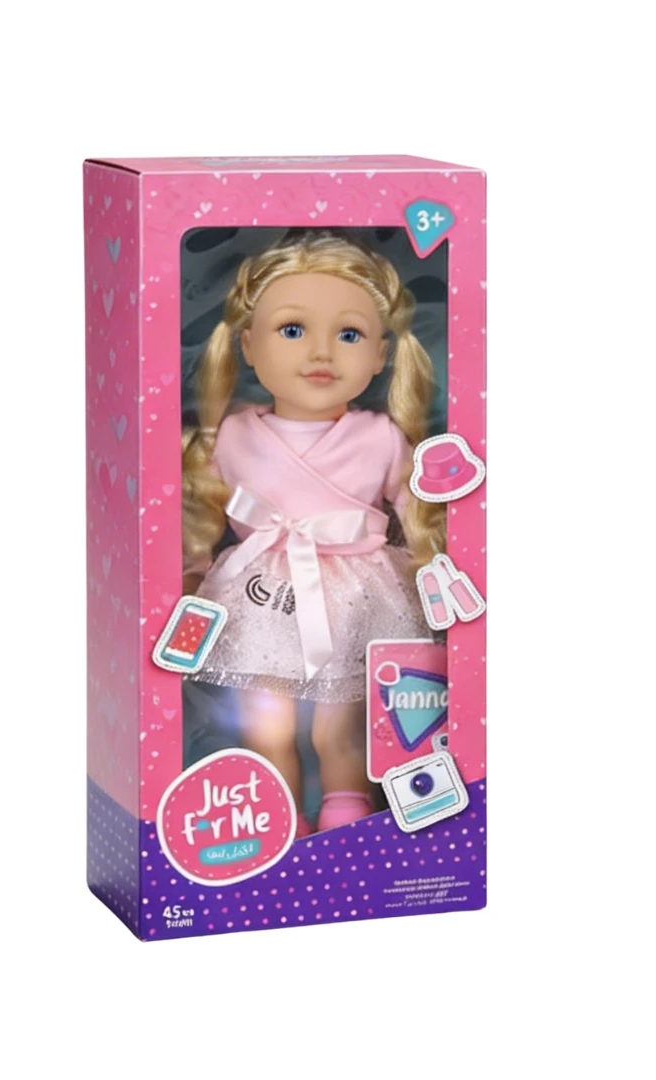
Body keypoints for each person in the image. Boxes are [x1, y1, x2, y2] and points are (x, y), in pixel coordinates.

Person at [181, 231, 445, 835]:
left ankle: (346, 825)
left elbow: (418, 510)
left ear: (380, 355)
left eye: (349, 334)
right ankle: (277, 825)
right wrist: (187, 577)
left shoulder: (381, 436)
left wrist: (439, 574)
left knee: (341, 730)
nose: (321, 352)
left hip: (359, 593)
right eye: (293, 329)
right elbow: (200, 514)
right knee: (265, 726)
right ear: (248, 345)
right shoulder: (231, 436)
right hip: (261, 593)